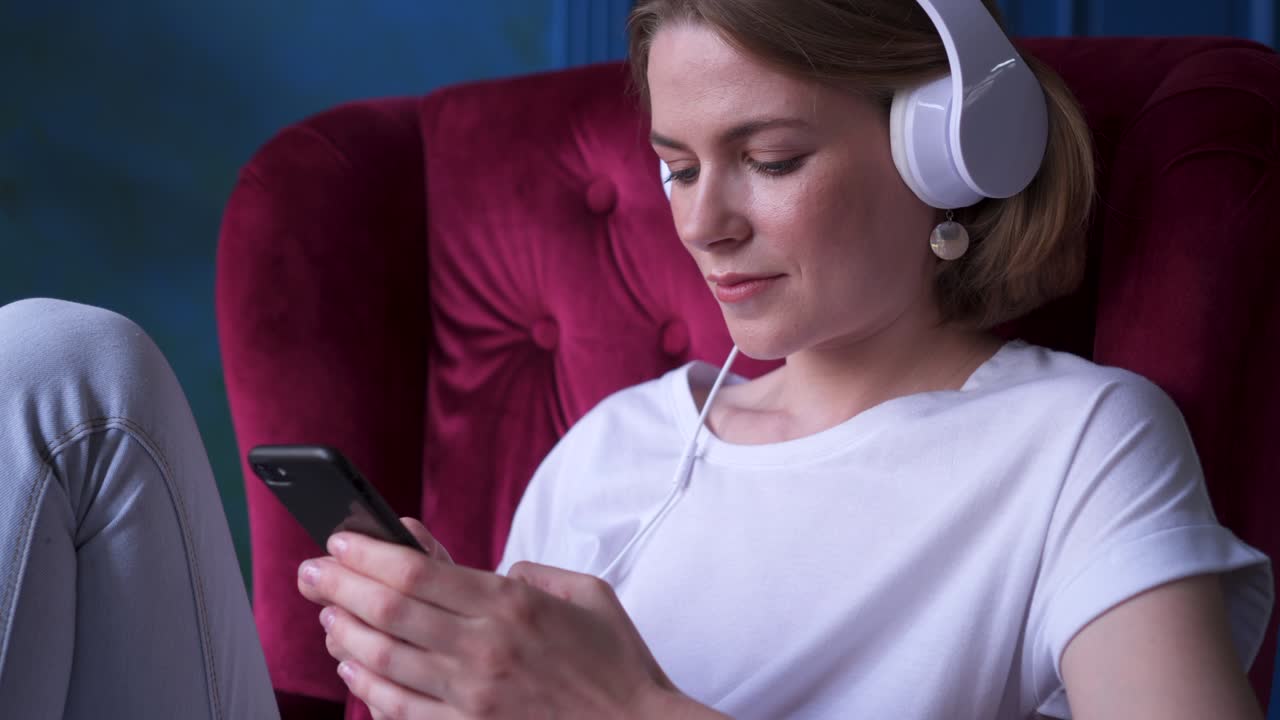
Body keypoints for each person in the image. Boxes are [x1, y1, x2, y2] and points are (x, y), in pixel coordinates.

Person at [0, 1, 1271, 718]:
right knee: (58, 368)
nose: (702, 223)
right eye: (675, 166)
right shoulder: (615, 445)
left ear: (946, 150)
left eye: (768, 159)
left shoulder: (1079, 445)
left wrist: (629, 711)